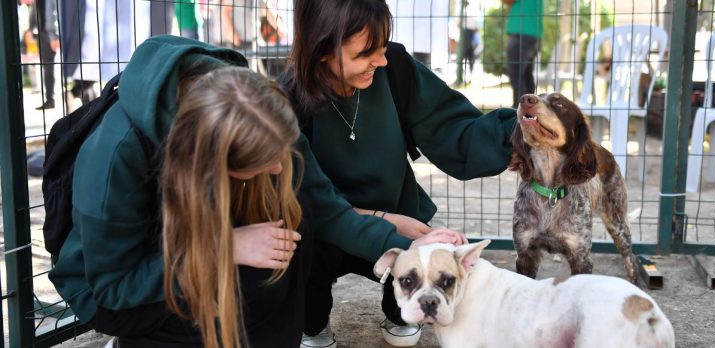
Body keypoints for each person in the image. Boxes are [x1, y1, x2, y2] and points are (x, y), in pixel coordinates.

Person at [48, 35, 465, 348]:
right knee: (205, 309)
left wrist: (414, 249)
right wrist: (224, 246)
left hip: (198, 241)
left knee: (293, 217)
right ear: (210, 161)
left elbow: (325, 206)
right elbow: (114, 287)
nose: (278, 167)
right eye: (260, 163)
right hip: (121, 286)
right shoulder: (116, 157)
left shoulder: (257, 105)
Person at [279, 1, 517, 347]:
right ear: (322, 51)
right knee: (300, 254)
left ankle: (398, 309)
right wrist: (387, 223)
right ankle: (312, 323)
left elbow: (452, 129)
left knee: (412, 302)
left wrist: (516, 136)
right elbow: (312, 203)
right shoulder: (286, 100)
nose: (382, 60)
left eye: (383, 46)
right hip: (325, 228)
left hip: (399, 218)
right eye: (365, 53)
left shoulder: (396, 69)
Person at [504, 0, 543, 107]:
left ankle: (519, 112)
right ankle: (530, 110)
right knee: (526, 76)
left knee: (517, 76)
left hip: (521, 30)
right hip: (534, 31)